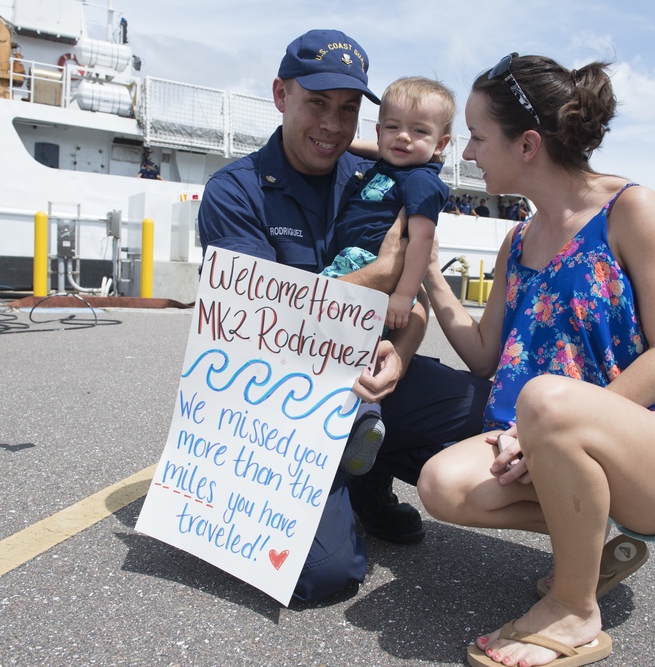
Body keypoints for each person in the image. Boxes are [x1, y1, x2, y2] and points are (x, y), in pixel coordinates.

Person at [418, 52, 655, 667]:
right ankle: (586, 540)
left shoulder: (632, 210)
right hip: (551, 437)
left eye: (479, 137)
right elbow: (484, 357)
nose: (469, 153)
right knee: (442, 486)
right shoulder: (520, 237)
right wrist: (428, 274)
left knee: (544, 398)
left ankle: (575, 608)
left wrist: (547, 425)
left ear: (528, 144)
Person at [196, 29, 491, 604]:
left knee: (502, 426)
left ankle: (362, 477)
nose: (333, 124)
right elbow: (255, 320)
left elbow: (419, 300)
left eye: (349, 109)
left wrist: (400, 359)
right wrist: (380, 276)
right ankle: (260, 486)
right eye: (317, 104)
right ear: (281, 95)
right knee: (323, 579)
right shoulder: (235, 192)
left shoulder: (380, 179)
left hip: (368, 379)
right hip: (278, 399)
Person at [320, 77, 455, 475]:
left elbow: (421, 241)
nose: (403, 138)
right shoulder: (388, 162)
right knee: (357, 351)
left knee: (336, 336)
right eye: (393, 127)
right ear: (379, 132)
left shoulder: (422, 180)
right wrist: (341, 143)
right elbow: (372, 147)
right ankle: (362, 417)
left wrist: (403, 295)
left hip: (368, 269)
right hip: (357, 263)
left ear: (441, 144)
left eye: (419, 131)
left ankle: (365, 417)